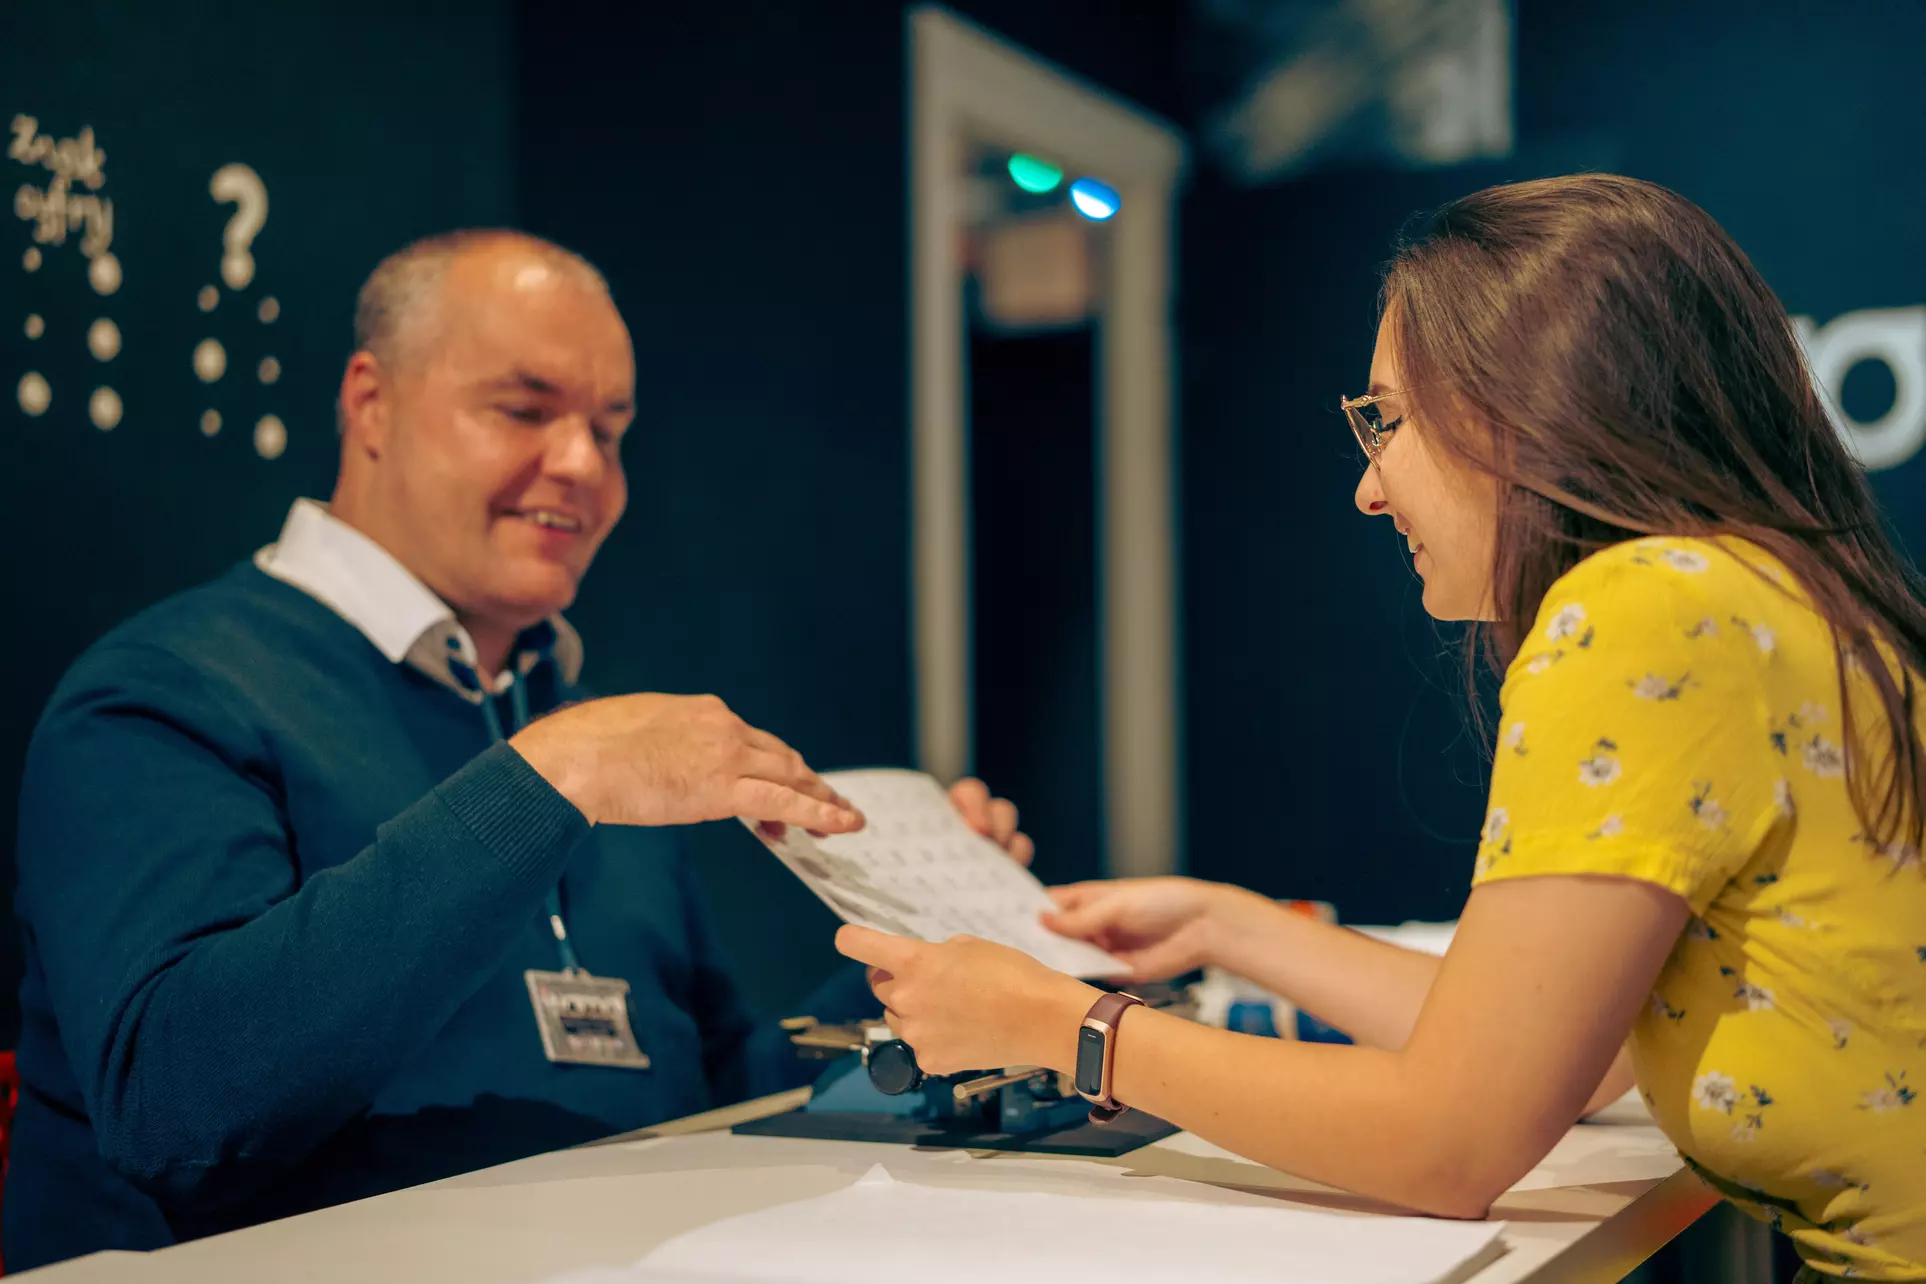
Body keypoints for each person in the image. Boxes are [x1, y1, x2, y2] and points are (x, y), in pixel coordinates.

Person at [839, 175, 1926, 1280]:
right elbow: (1551, 1049)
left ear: (1530, 400)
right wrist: (1229, 925)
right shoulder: (1770, 594)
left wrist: (1066, 1028)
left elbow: (1450, 1140)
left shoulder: (1648, 606)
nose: (1368, 490)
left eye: (1388, 422)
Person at [8, 230, 1032, 1270]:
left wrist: (919, 951)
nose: (584, 465)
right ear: (372, 404)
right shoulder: (164, 692)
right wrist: (551, 779)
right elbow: (173, 1109)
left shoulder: (581, 726)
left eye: (611, 428)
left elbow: (723, 1096)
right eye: (525, 410)